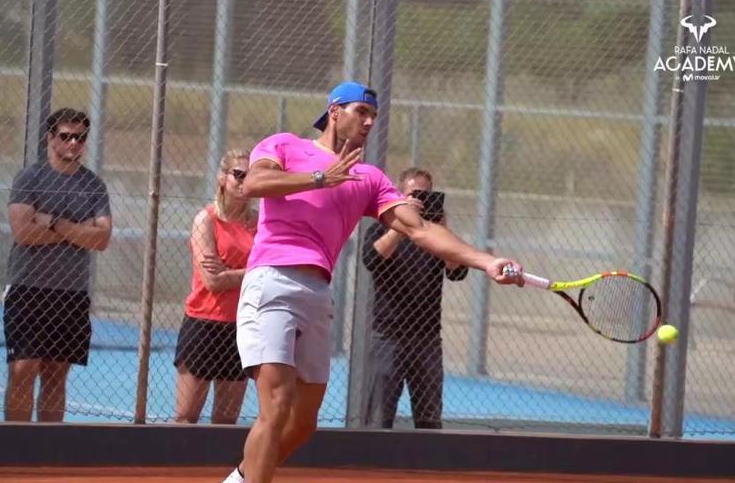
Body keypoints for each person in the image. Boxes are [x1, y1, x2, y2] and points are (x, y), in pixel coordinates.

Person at [221, 81, 525, 483]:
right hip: (271, 281)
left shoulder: (368, 177)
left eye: (373, 117)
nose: (368, 122)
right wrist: (319, 178)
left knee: (304, 421)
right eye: (360, 112)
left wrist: (486, 261)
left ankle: (240, 479)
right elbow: (253, 185)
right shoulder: (285, 146)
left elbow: (419, 230)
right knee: (275, 406)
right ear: (334, 111)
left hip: (317, 294)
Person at [3, 108, 112, 422]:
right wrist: (79, 231)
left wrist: (52, 222)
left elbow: (102, 239)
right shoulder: (30, 178)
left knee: (56, 373)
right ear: (51, 138)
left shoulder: (93, 186)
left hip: (71, 292)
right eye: (66, 136)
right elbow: (23, 231)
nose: (73, 143)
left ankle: (45, 451)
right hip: (28, 288)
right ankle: (13, 447)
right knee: (24, 369)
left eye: (79, 138)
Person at [361, 167, 466, 430]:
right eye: (413, 195)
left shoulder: (437, 238)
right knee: (378, 418)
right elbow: (372, 260)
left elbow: (457, 271)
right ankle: (370, 466)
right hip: (388, 336)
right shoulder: (380, 229)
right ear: (399, 195)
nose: (420, 201)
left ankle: (428, 469)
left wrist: (443, 230)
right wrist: (401, 223)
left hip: (427, 339)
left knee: (429, 418)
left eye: (425, 195)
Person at [174, 149, 256, 424]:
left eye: (251, 176)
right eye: (239, 175)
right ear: (223, 178)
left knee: (226, 421)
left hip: (241, 325)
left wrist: (233, 273)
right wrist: (253, 272)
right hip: (203, 323)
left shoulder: (259, 224)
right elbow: (212, 281)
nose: (245, 181)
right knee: (186, 417)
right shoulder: (206, 220)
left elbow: (268, 272)